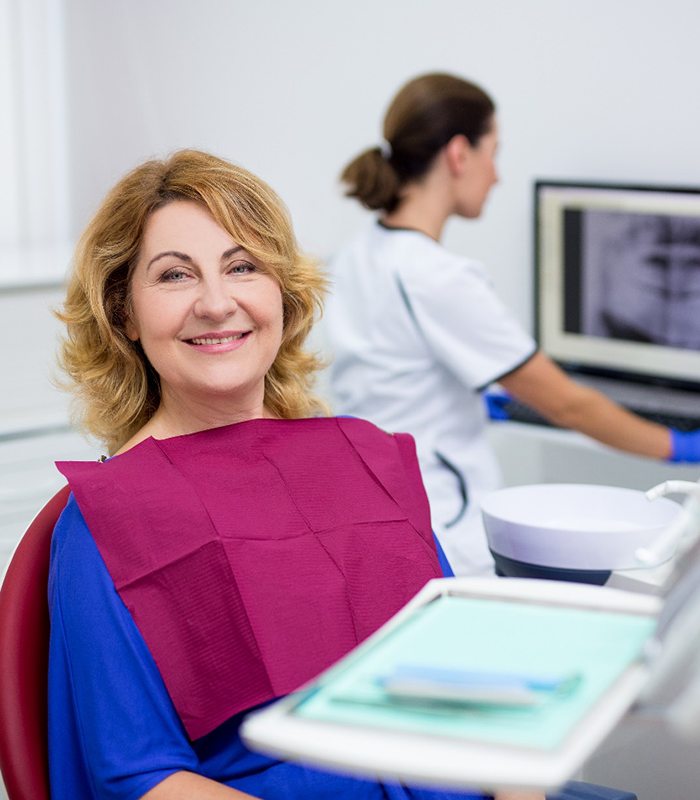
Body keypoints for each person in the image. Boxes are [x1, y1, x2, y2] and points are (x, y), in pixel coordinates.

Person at [49, 148, 552, 800]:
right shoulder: (108, 517)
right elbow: (139, 777)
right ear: (124, 314)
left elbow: (470, 683)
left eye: (242, 267)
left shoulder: (365, 461)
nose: (216, 301)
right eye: (176, 276)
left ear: (282, 292)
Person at [324, 72, 700, 577]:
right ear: (459, 154)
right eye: (493, 152)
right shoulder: (439, 277)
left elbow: (390, 371)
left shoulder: (360, 252)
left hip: (380, 511)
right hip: (444, 526)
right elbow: (568, 404)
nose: (497, 175)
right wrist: (676, 446)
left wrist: (467, 398)